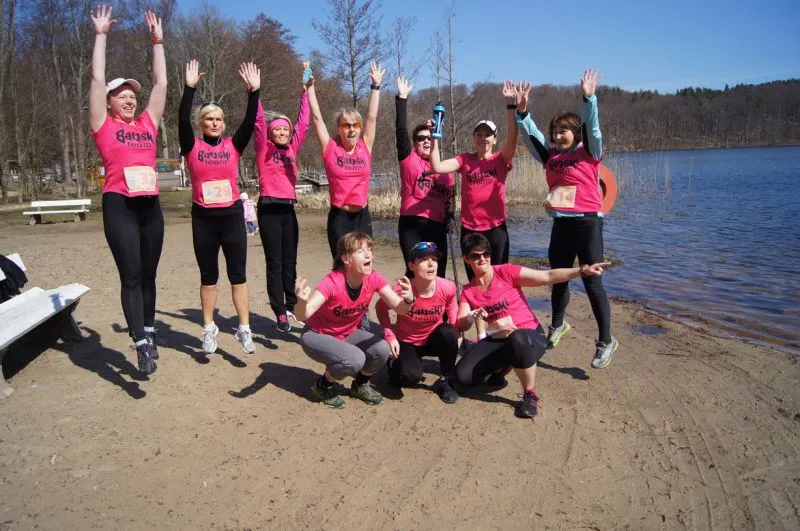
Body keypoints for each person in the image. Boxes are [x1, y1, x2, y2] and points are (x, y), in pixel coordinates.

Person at [515, 69, 617, 368]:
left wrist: (589, 99)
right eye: (555, 132)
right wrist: (523, 113)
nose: (558, 136)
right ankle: (558, 324)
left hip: (587, 223)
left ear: (575, 133)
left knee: (592, 282)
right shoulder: (551, 157)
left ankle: (606, 341)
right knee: (558, 278)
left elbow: (592, 129)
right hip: (561, 224)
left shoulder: (589, 152)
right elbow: (532, 136)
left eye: (564, 131)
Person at [89, 5, 166, 375]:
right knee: (132, 275)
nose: (129, 99)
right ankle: (139, 342)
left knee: (149, 275)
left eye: (132, 95)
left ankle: (149, 332)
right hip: (119, 204)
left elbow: (161, 84)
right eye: (121, 95)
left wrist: (157, 42)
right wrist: (101, 35)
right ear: (109, 101)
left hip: (150, 206)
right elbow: (96, 77)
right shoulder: (103, 125)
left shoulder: (148, 124)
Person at [455, 233, 610, 418]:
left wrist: (582, 270)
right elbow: (461, 324)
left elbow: (547, 276)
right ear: (466, 259)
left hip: (529, 336)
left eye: (486, 254)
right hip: (499, 339)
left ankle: (530, 394)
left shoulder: (505, 272)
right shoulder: (468, 291)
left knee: (517, 338)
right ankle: (503, 367)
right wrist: (471, 316)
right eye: (475, 255)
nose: (482, 259)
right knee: (463, 376)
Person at [179, 59, 260, 355]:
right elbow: (180, 121)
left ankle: (244, 329)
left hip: (231, 217)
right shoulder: (192, 146)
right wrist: (189, 89)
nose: (214, 122)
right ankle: (209, 328)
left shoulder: (232, 146)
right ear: (201, 123)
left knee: (238, 276)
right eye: (209, 119)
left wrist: (254, 93)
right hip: (204, 219)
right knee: (208, 277)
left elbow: (249, 124)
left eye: (219, 119)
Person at [294, 232, 415, 409]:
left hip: (346, 333)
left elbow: (400, 309)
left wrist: (409, 299)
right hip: (316, 335)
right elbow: (302, 316)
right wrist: (301, 302)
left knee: (382, 349)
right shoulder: (332, 283)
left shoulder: (373, 278)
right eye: (360, 251)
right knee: (355, 359)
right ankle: (323, 385)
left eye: (369, 249)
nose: (368, 255)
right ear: (346, 259)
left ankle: (360, 385)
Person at [430, 81, 520, 281]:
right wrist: (435, 135)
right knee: (474, 280)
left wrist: (511, 108)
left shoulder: (501, 160)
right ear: (473, 138)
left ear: (494, 139)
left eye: (487, 135)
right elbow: (436, 167)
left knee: (499, 277)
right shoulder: (465, 159)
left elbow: (512, 140)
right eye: (478, 134)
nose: (482, 138)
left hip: (495, 229)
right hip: (470, 230)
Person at [254, 70, 312, 332]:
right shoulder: (263, 148)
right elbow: (258, 122)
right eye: (277, 129)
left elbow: (303, 125)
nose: (281, 132)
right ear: (271, 133)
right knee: (275, 263)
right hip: (269, 209)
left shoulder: (292, 149)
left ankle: (291, 305)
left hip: (288, 210)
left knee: (291, 262)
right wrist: (255, 93)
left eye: (284, 130)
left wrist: (304, 93)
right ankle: (279, 311)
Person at [307, 62, 385, 258]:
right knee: (342, 266)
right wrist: (310, 89)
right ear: (338, 129)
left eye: (355, 125)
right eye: (346, 125)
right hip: (340, 217)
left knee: (365, 263)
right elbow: (316, 118)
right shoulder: (330, 147)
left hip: (362, 216)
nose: (351, 129)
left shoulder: (365, 146)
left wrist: (375, 87)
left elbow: (372, 117)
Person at [376, 242, 460, 403]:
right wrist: (390, 336)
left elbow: (451, 305)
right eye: (423, 259)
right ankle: (393, 363)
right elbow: (380, 308)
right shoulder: (402, 289)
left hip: (432, 339)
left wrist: (456, 329)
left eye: (434, 259)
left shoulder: (447, 286)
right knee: (408, 377)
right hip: (407, 341)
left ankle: (445, 380)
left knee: (449, 332)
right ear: (411, 265)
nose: (431, 264)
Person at [394, 77, 455, 278]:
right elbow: (401, 132)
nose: (426, 141)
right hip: (412, 223)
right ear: (415, 143)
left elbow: (450, 199)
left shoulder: (445, 169)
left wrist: (451, 216)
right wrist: (402, 99)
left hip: (437, 226)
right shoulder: (409, 159)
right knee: (416, 272)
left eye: (430, 137)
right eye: (421, 139)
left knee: (438, 275)